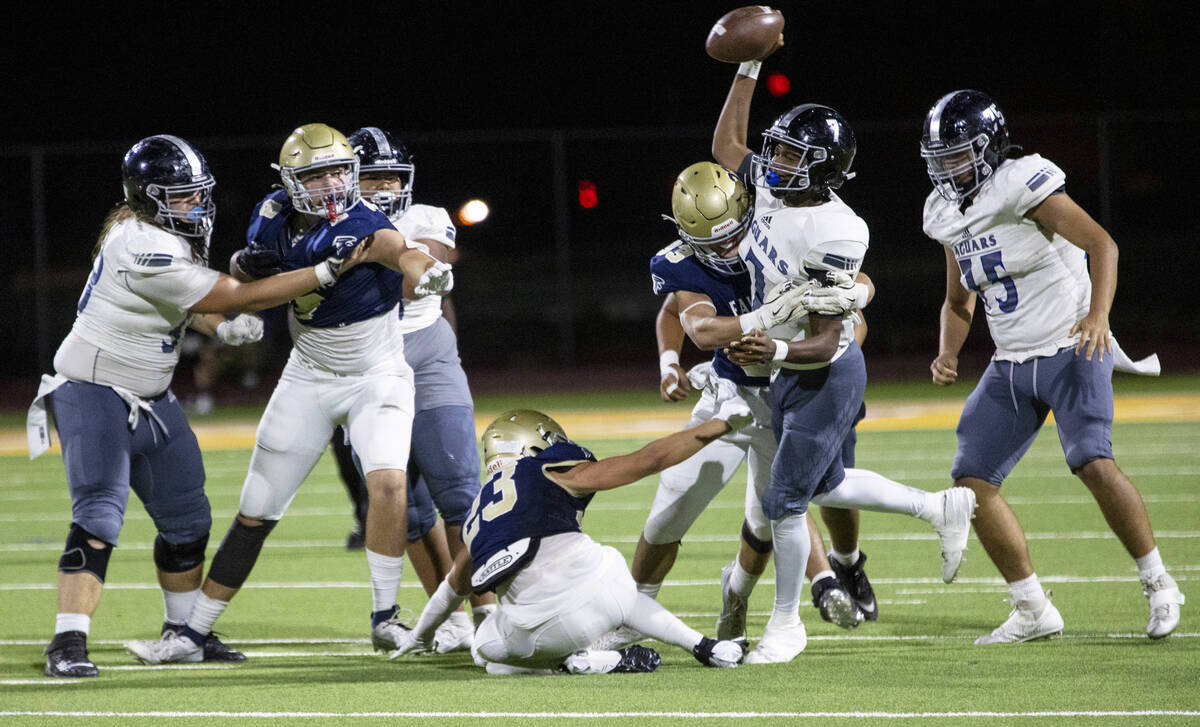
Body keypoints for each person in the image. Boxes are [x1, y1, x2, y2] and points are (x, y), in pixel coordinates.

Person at [30, 134, 369, 677]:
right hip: (93, 392)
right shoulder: (140, 243)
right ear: (145, 197)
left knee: (188, 522)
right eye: (180, 195)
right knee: (97, 516)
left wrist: (221, 328)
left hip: (154, 398)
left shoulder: (168, 237)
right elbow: (232, 293)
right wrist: (325, 273)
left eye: (197, 193)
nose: (195, 204)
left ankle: (182, 633)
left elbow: (190, 304)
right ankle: (67, 642)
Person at [123, 123, 453, 665]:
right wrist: (239, 271)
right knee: (257, 510)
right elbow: (247, 272)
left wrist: (429, 270)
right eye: (316, 174)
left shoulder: (365, 222)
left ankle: (385, 617)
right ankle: (190, 635)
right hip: (308, 374)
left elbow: (404, 252)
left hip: (378, 375)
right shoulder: (272, 215)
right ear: (290, 181)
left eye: (339, 171)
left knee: (389, 483)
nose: (330, 183)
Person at [711, 52, 978, 662]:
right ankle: (939, 507)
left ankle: (785, 627)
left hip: (822, 368)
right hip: (786, 360)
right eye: (774, 151)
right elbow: (727, 141)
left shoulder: (839, 228)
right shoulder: (774, 191)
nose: (773, 163)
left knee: (784, 500)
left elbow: (830, 340)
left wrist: (774, 346)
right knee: (827, 483)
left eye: (789, 156)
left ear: (822, 169)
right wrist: (749, 63)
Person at [919, 89, 1184, 642]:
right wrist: (948, 351)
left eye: (958, 154)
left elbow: (1102, 244)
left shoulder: (1022, 181)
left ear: (988, 147)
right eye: (939, 157)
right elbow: (958, 301)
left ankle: (1159, 583)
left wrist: (1098, 316)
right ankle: (1032, 608)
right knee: (971, 484)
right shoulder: (944, 211)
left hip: (1070, 346)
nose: (947, 168)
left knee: (1092, 460)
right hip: (1011, 361)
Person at [389, 408, 753, 675]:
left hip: (538, 632)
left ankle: (578, 662)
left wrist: (420, 637)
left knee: (485, 653)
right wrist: (718, 425)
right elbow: (649, 460)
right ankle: (705, 646)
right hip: (607, 598)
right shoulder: (550, 467)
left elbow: (453, 586)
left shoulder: (474, 515)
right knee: (607, 572)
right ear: (537, 441)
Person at [347, 125, 489, 651]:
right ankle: (445, 619)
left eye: (391, 177)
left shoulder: (425, 216)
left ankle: (488, 616)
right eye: (373, 178)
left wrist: (362, 250)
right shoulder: (328, 222)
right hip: (361, 361)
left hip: (424, 353)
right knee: (404, 507)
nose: (384, 189)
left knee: (459, 491)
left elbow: (414, 275)